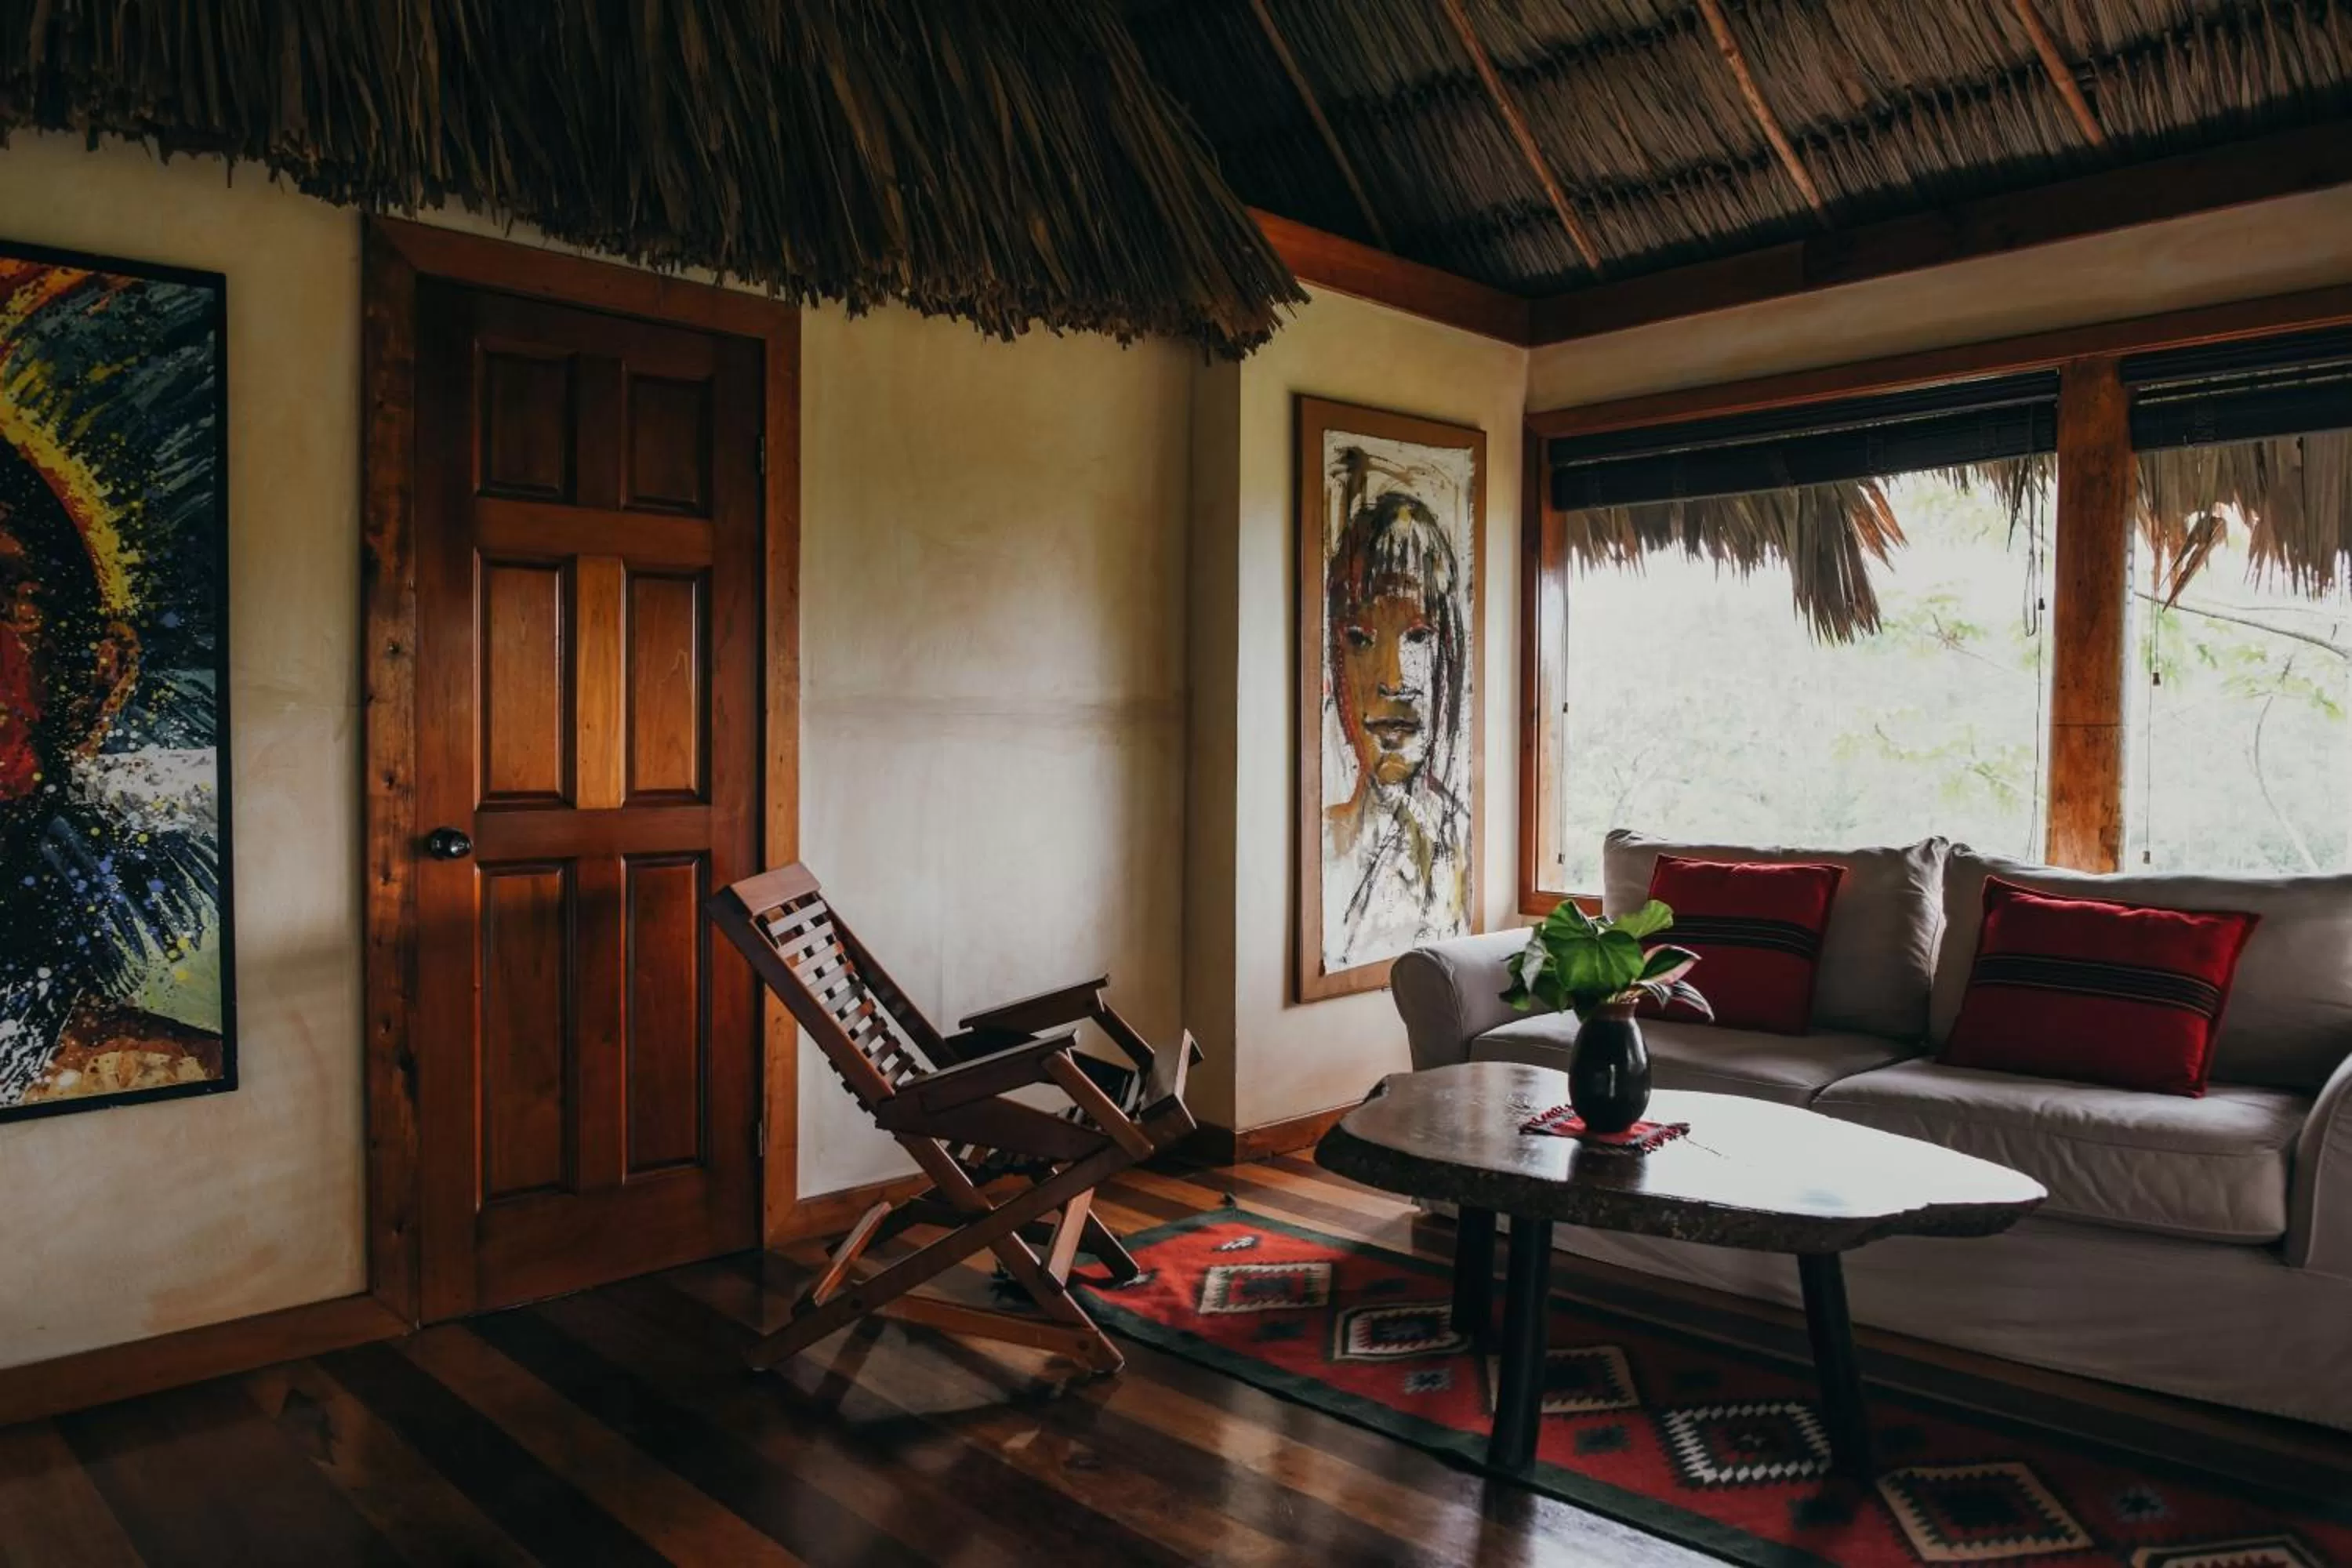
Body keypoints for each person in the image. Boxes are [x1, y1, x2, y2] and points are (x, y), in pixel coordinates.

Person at [1322, 486, 1471, 968]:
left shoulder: (1462, 844)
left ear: (1449, 655)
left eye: (1418, 637)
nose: (1393, 679)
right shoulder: (1323, 848)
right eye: (1361, 639)